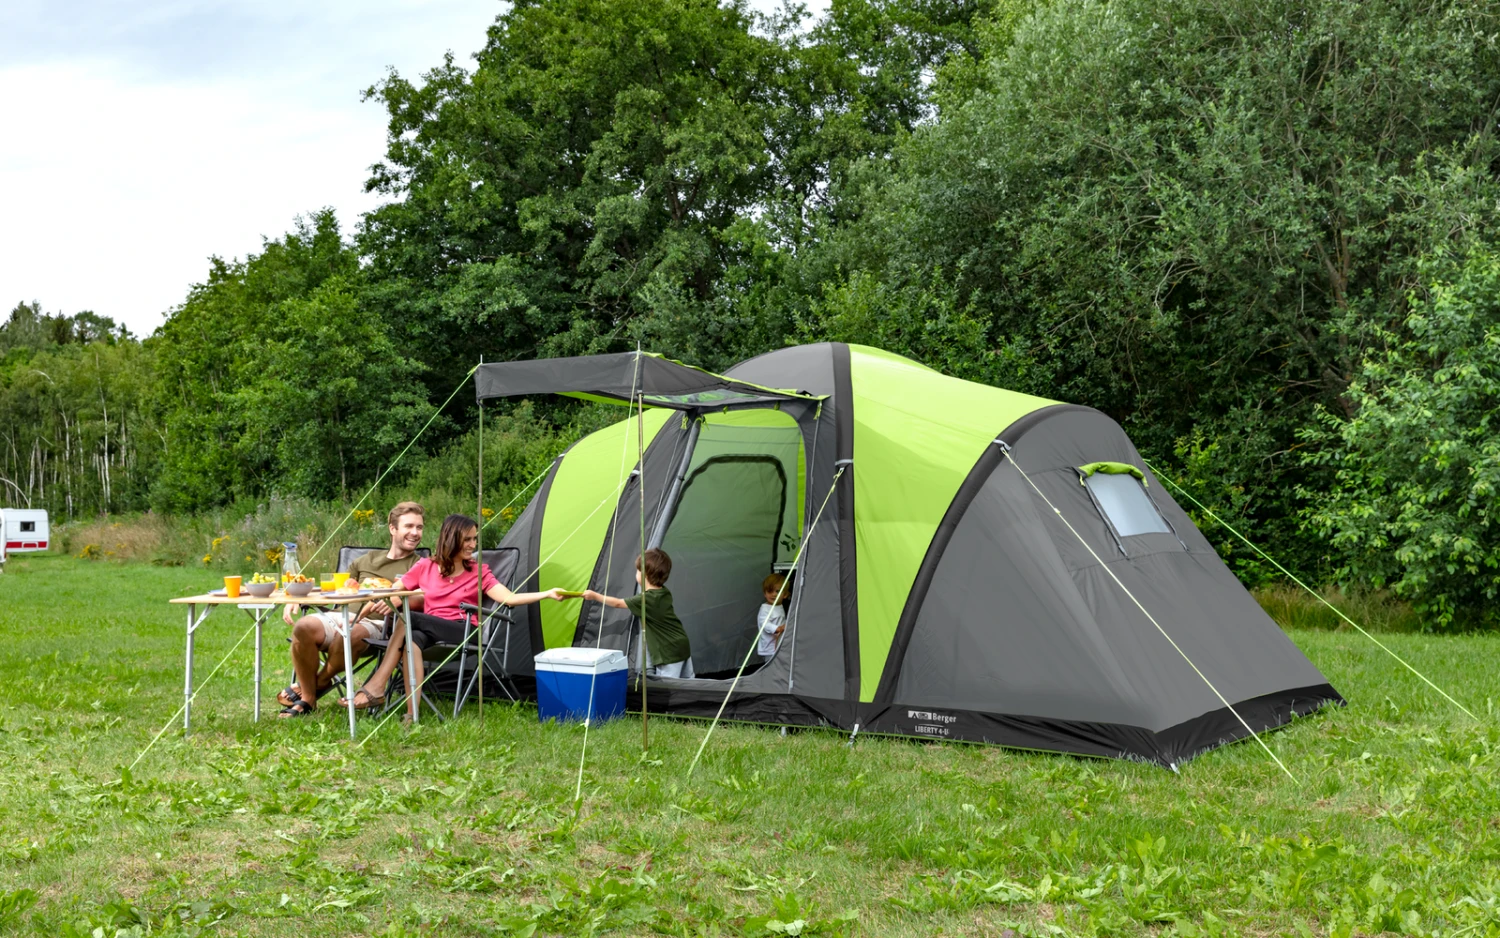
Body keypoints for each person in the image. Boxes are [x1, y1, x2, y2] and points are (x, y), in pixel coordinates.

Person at [356, 513, 564, 716]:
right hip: (430, 630)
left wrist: (547, 594)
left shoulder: (479, 571)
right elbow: (396, 589)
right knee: (411, 642)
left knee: (406, 618)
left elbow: (508, 598)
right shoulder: (425, 566)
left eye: (474, 539)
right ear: (451, 538)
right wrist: (377, 600)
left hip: (463, 629)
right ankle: (412, 715)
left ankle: (376, 686)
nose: (473, 545)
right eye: (467, 539)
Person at [278, 501, 426, 718]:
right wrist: (299, 596)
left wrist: (398, 599)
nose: (415, 533)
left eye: (419, 527)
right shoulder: (365, 560)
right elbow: (338, 588)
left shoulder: (421, 565)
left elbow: (426, 598)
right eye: (409, 526)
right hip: (341, 615)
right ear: (392, 528)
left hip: (378, 625)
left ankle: (315, 686)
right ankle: (310, 698)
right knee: (303, 626)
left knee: (350, 634)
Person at [583, 548, 694, 678]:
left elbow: (618, 603)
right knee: (690, 682)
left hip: (668, 650)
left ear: (644, 575)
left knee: (669, 687)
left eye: (638, 570)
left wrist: (595, 596)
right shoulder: (664, 592)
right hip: (681, 643)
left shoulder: (646, 599)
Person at [756, 572, 790, 665]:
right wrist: (777, 628)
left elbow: (781, 621)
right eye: (769, 591)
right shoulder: (765, 608)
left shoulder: (780, 606)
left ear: (785, 595)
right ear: (765, 594)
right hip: (769, 646)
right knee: (772, 665)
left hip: (779, 643)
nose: (773, 594)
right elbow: (764, 623)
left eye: (778, 591)